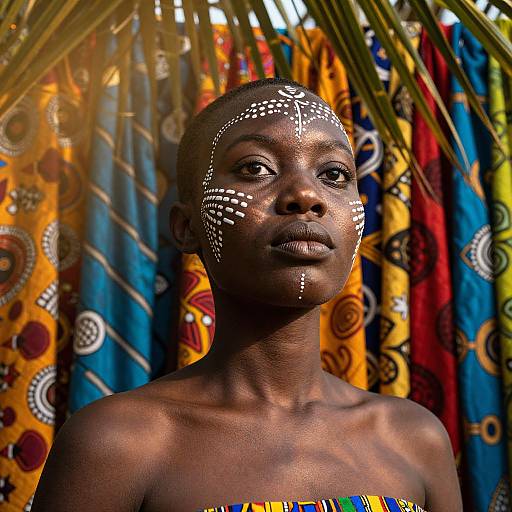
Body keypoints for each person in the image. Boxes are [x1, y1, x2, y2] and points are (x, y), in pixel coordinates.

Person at [32, 77, 462, 512]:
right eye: (255, 168)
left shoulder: (413, 439)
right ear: (187, 227)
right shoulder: (119, 444)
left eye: (333, 174)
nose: (307, 196)